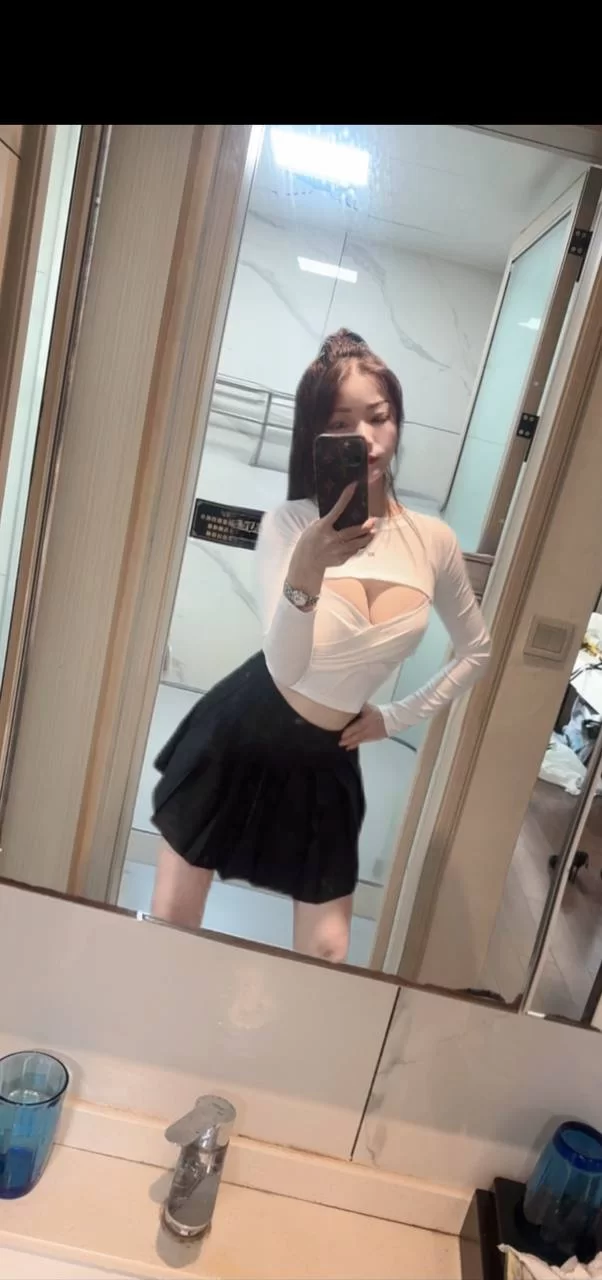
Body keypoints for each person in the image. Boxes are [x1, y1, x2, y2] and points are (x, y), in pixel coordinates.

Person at [150, 329, 491, 962]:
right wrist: (308, 566)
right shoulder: (291, 525)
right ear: (317, 436)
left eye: (378, 417)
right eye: (341, 424)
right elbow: (284, 665)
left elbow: (478, 651)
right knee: (174, 920)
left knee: (328, 951)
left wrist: (395, 717)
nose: (366, 438)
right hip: (241, 732)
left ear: (397, 421)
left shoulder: (434, 542)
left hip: (328, 756)